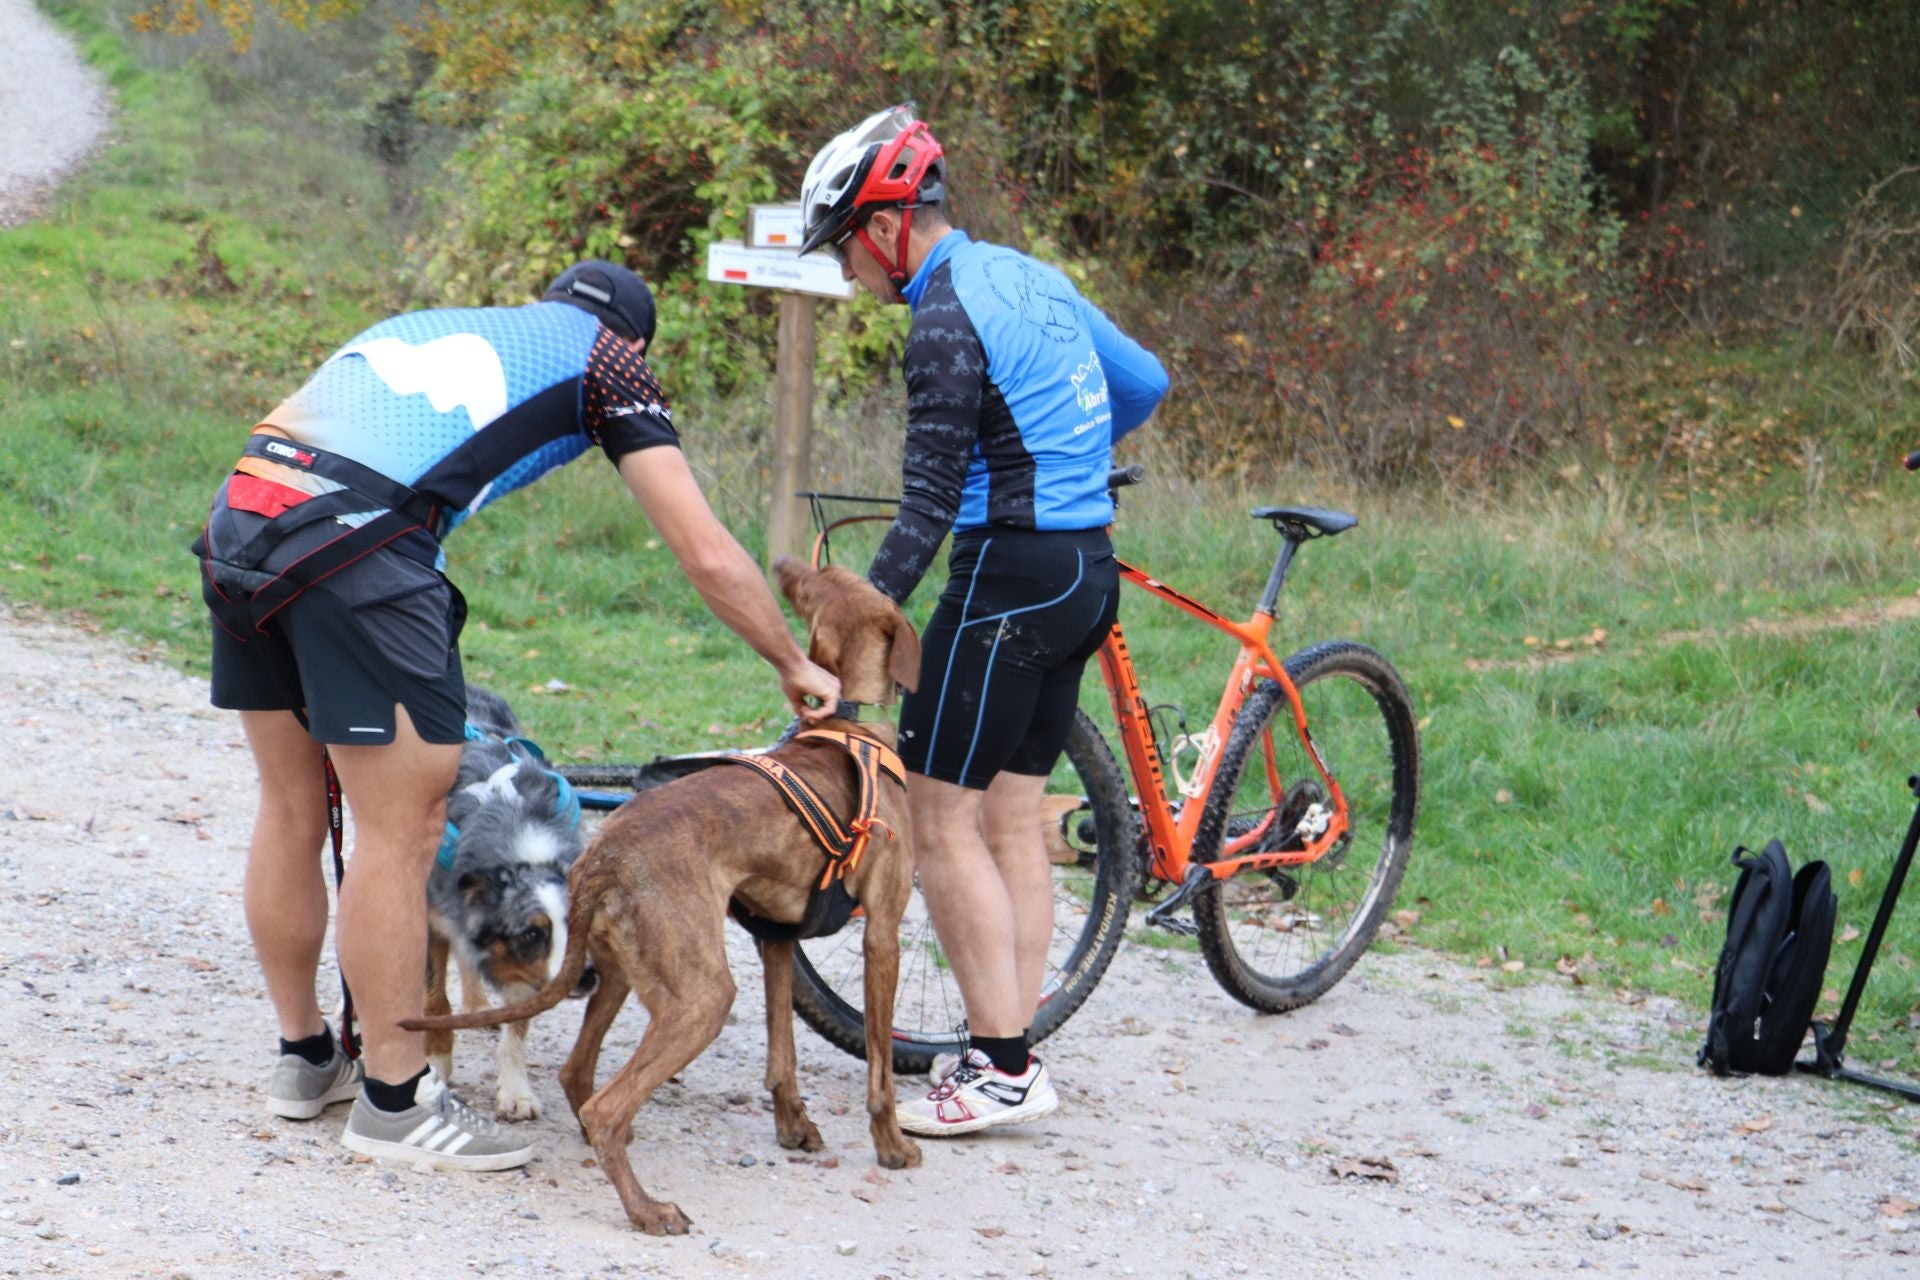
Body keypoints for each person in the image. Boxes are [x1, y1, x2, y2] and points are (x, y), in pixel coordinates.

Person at [193, 260, 840, 1170]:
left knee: (291, 807)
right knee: (404, 829)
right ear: (634, 340)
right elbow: (704, 549)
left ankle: (307, 1060)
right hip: (356, 543)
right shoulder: (610, 362)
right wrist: (791, 659)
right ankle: (394, 1099)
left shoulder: (443, 320)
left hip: (241, 518)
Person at [797, 106, 1170, 1135]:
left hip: (1008, 575)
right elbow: (1143, 381)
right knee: (1012, 816)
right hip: (1084, 571)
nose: (845, 274)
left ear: (882, 228)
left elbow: (922, 510)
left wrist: (845, 630)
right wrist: (1063, 446)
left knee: (938, 816)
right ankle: (1010, 1044)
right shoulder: (1025, 273)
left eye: (843, 249)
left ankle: (1002, 1067)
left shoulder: (943, 318)